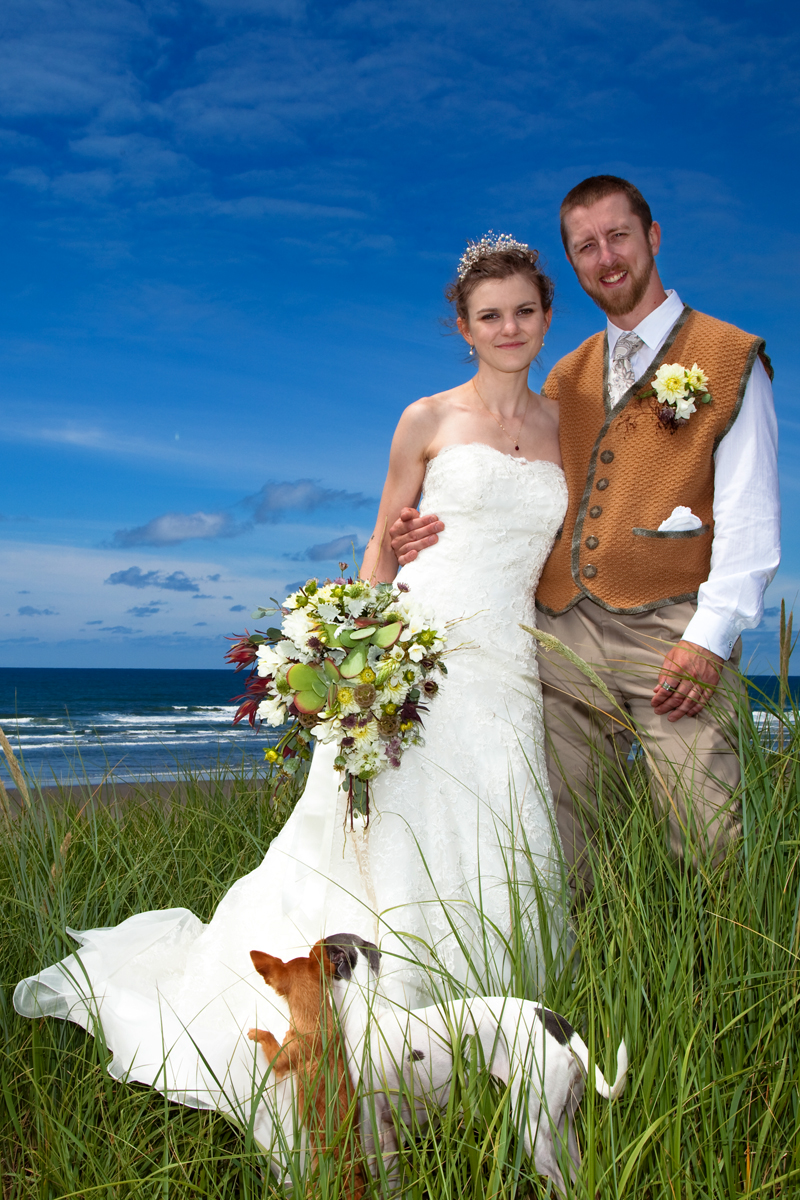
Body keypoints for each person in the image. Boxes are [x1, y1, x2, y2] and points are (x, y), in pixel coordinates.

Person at [14, 235, 571, 1155]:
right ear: (463, 326)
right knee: (388, 838)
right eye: (489, 315)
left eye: (523, 311)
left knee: (499, 825)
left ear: (546, 317)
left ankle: (479, 1041)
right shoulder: (427, 418)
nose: (508, 328)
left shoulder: (562, 427)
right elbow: (381, 548)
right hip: (417, 663)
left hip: (508, 667)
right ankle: (364, 1040)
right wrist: (357, 665)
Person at [391, 176, 780, 895]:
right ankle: (589, 959)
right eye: (585, 246)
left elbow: (751, 516)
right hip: (561, 630)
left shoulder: (730, 357)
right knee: (562, 836)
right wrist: (427, 533)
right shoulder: (564, 378)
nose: (606, 257)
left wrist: (710, 636)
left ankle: (719, 954)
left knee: (710, 830)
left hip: (674, 629)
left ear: (652, 237)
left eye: (618, 236)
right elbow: (528, 491)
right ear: (572, 263)